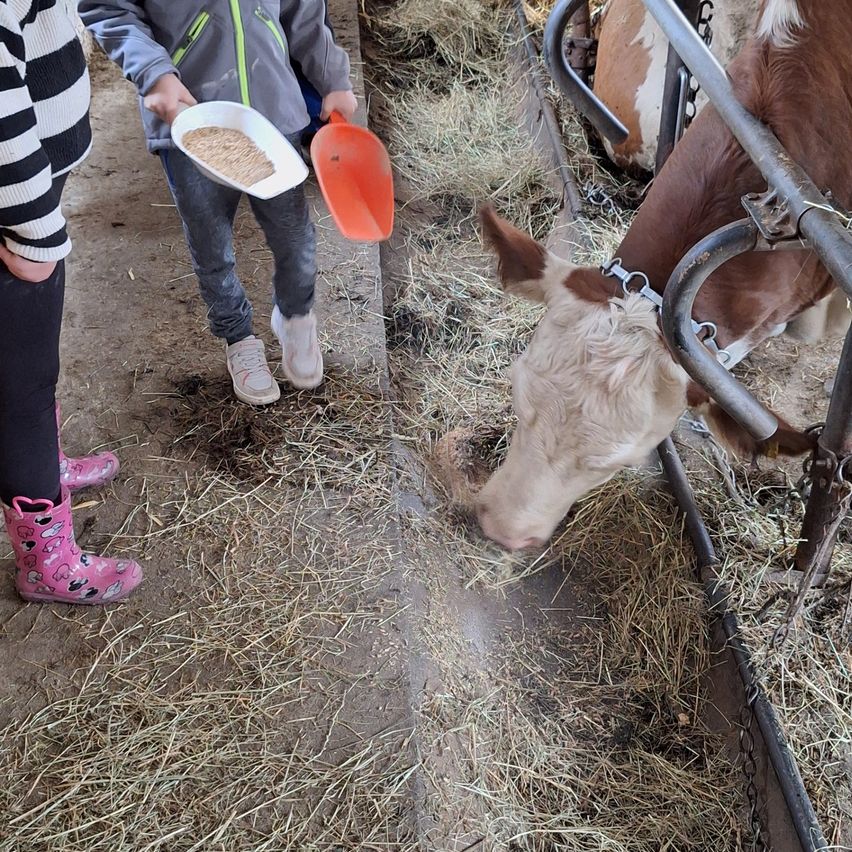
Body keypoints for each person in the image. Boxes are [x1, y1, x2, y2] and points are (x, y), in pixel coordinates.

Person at [80, 0, 358, 406]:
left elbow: (304, 10)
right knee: (212, 244)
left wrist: (332, 77)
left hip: (273, 109)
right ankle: (238, 337)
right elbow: (107, 7)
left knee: (295, 235)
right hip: (192, 115)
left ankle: (296, 316)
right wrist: (153, 71)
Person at [0, 0, 143, 604]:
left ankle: (42, 462)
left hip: (28, 196)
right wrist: (36, 232)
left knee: (28, 372)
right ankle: (44, 561)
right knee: (21, 389)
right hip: (15, 216)